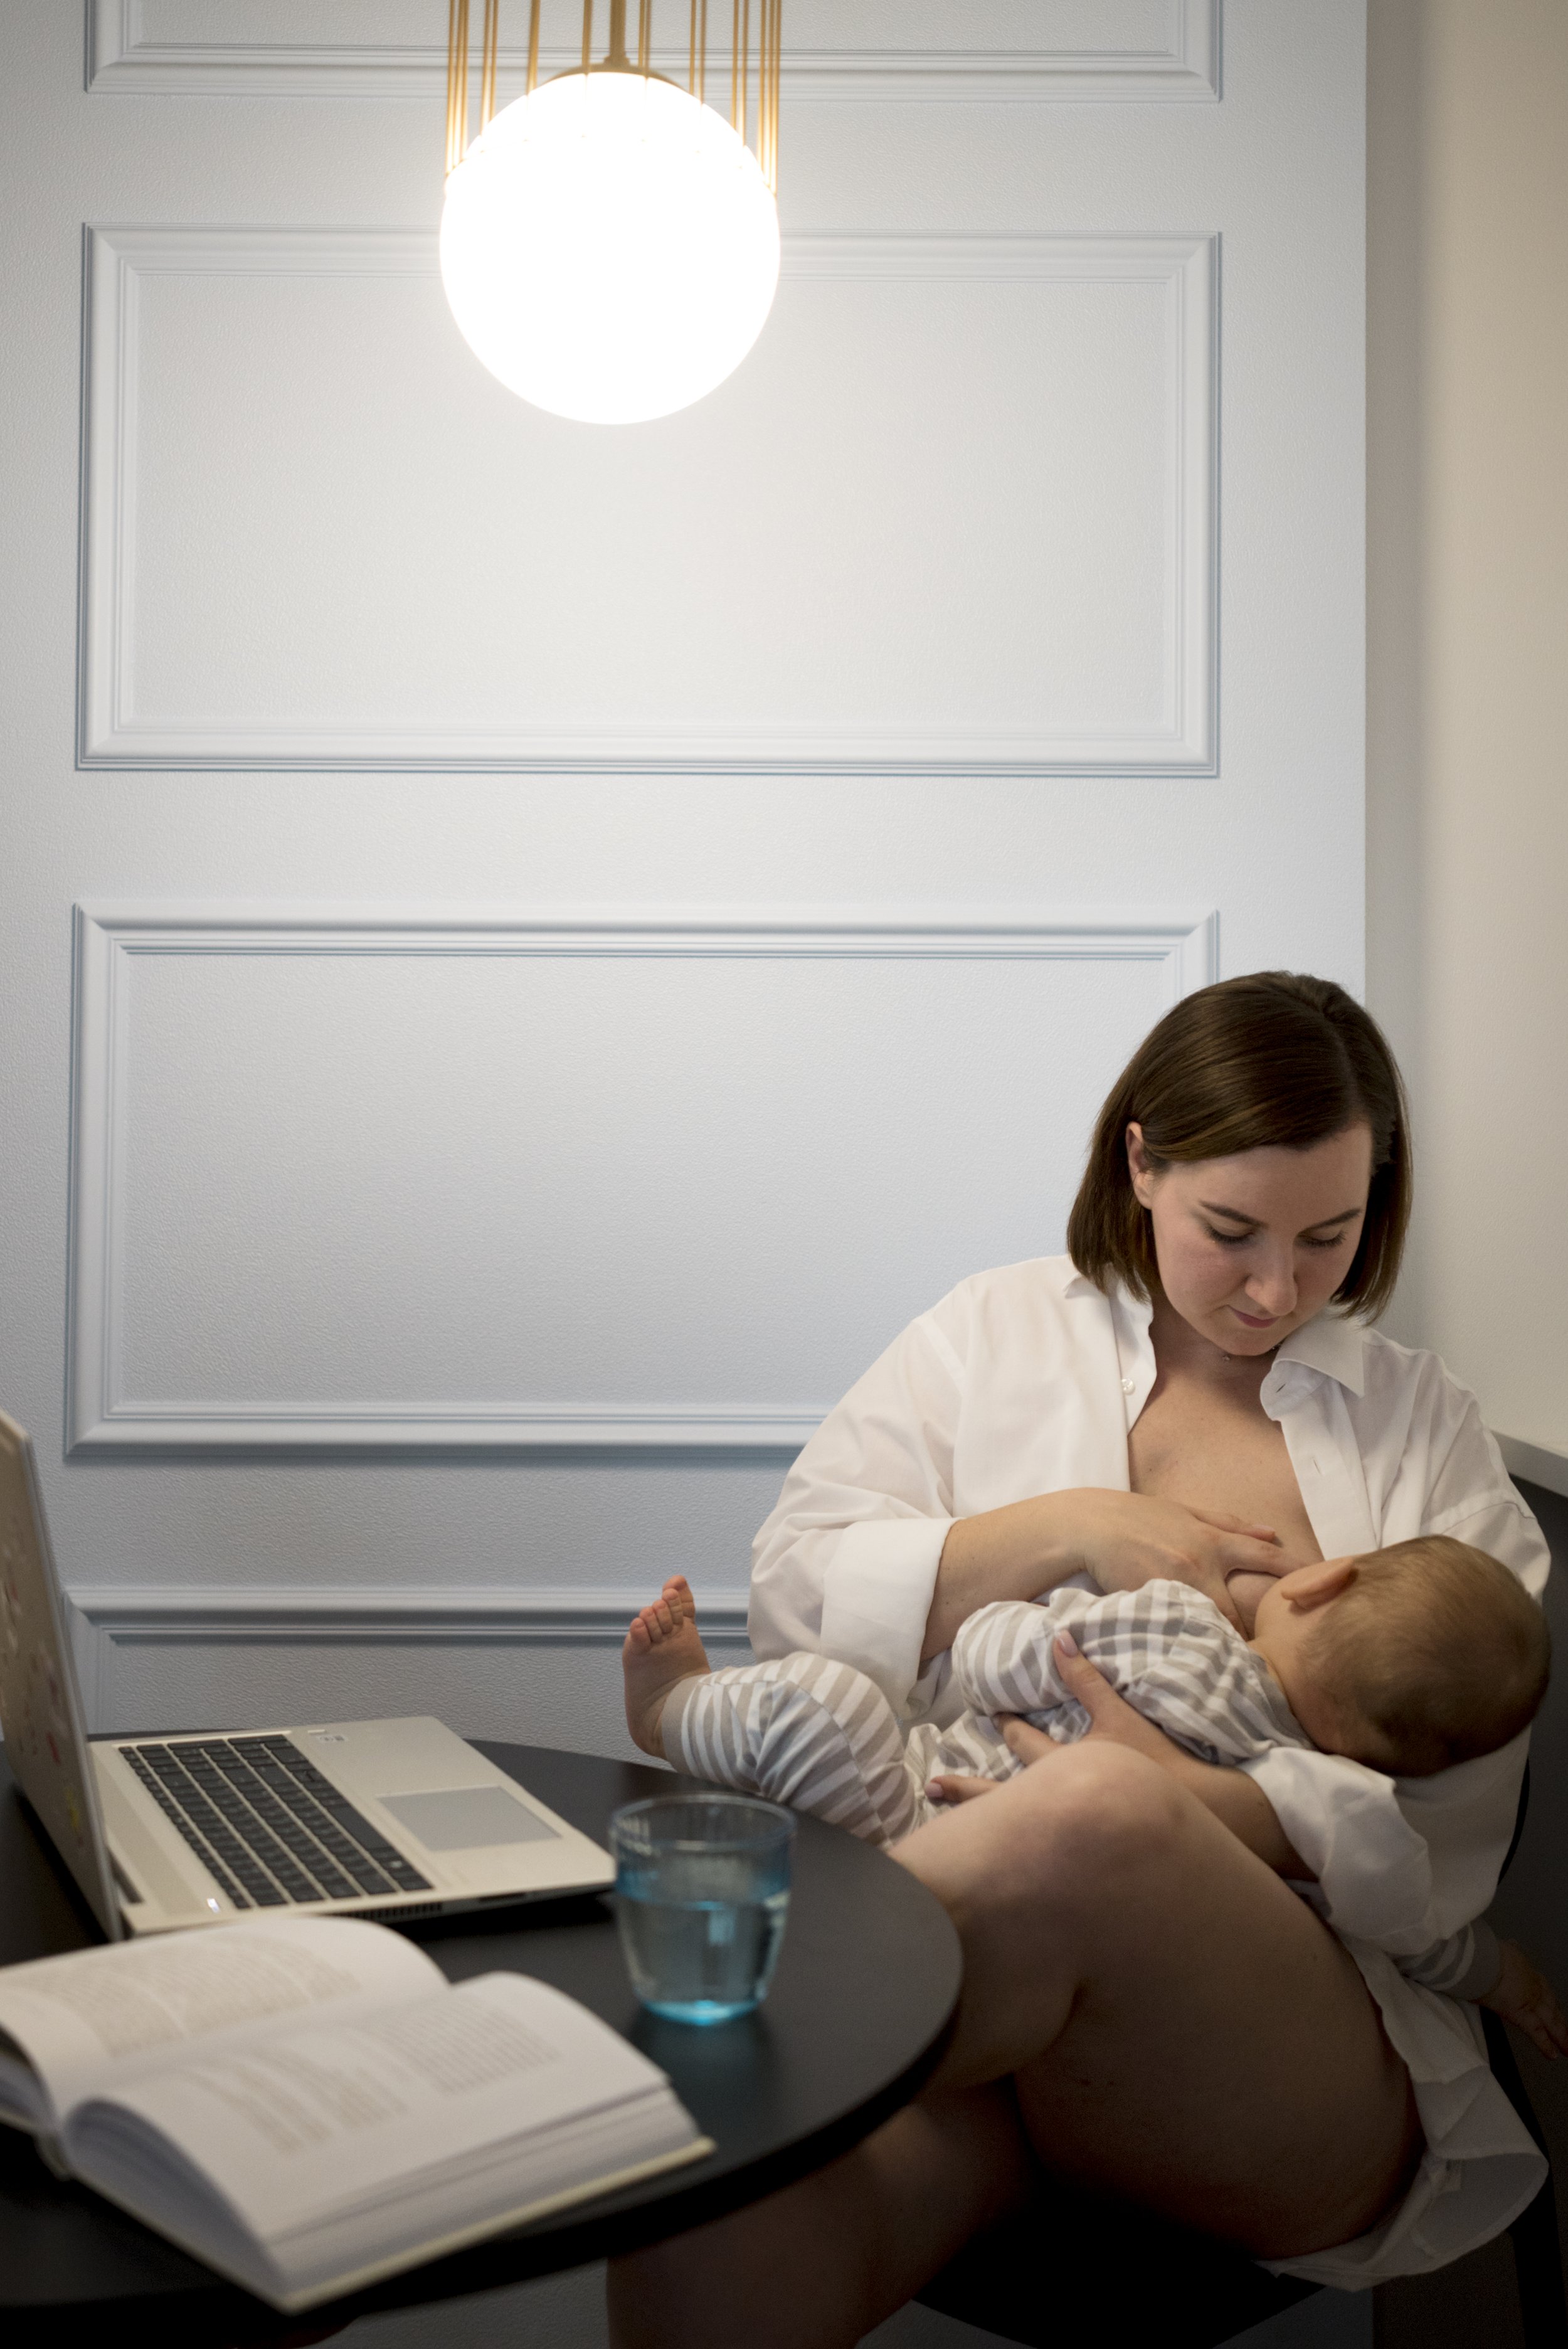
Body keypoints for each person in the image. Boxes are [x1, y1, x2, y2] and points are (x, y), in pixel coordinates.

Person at [607, 972, 1565, 2349]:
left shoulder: (1419, 1433)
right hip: (985, 2040)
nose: (1274, 1288)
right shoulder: (985, 1334)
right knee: (717, 2210)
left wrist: (1189, 1799)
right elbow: (792, 1593)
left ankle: (569, 2088)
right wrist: (1069, 1525)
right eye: (1227, 1231)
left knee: (1090, 1812)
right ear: (1138, 1162)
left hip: (1291, 2036)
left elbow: (1446, 1829)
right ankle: (617, 2111)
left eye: (1326, 1238)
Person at [621, 1540, 1550, 2020]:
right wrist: (1505, 1978)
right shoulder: (1317, 1799)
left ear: (1317, 1582)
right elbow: (1416, 1932)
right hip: (997, 1919)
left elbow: (998, 1657)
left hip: (914, 1810)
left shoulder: (1181, 1630)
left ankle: (672, 1711)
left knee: (827, 1703)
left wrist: (1012, 1630)